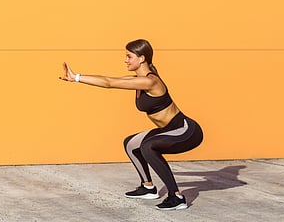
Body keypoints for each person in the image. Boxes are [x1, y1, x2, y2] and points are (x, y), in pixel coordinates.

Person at [59, 39, 203, 210]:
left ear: (142, 58)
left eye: (129, 56)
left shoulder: (150, 82)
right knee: (131, 144)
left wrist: (76, 77)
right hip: (169, 129)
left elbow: (109, 82)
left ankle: (176, 197)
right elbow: (109, 80)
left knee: (148, 146)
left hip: (186, 130)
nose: (125, 60)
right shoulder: (139, 81)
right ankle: (148, 187)